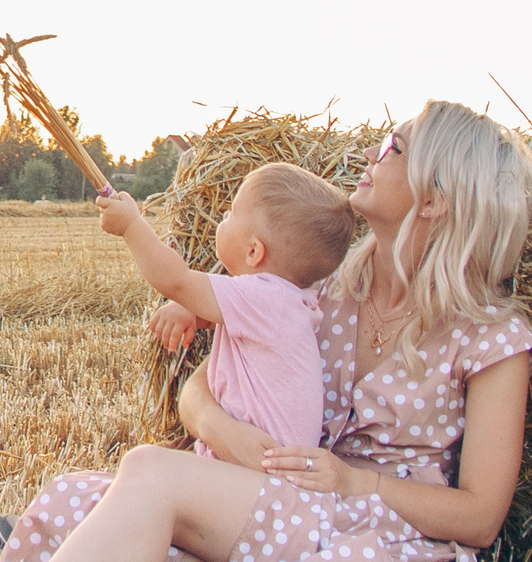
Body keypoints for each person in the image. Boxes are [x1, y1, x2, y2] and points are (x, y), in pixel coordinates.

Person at [0, 100, 532, 562]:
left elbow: (480, 516)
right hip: (283, 513)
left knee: (144, 484)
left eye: (395, 148)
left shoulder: (492, 339)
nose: (371, 152)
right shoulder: (322, 289)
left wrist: (354, 482)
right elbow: (200, 386)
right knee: (97, 507)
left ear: (435, 199)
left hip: (377, 548)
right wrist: (221, 429)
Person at [95, 164, 353, 455]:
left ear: (253, 251)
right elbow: (221, 313)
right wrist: (194, 311)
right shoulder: (287, 300)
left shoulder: (265, 296)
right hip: (259, 463)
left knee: (141, 461)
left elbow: (176, 281)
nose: (222, 218)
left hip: (261, 469)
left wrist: (131, 226)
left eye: (230, 214)